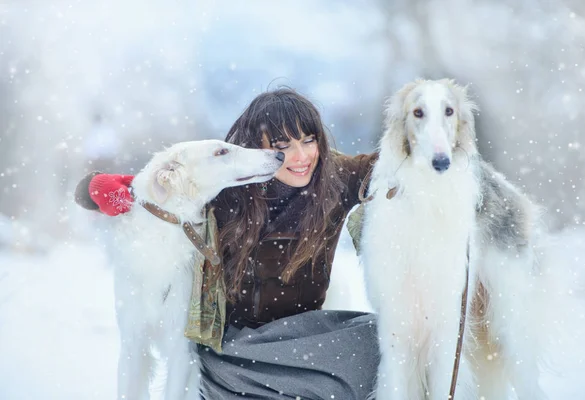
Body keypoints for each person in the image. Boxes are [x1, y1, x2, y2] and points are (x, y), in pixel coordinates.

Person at [75, 88, 379, 399]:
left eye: (309, 140)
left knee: (385, 341)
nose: (301, 156)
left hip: (305, 338)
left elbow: (393, 165)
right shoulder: (229, 192)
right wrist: (121, 189)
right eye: (281, 145)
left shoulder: (335, 176)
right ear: (257, 147)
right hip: (237, 351)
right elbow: (179, 188)